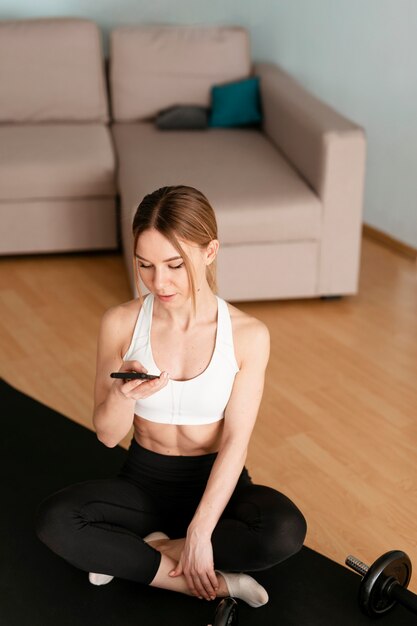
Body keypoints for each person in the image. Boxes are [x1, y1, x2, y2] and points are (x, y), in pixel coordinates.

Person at [36, 185, 307, 608]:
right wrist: (124, 395)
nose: (158, 282)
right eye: (145, 265)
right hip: (145, 481)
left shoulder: (249, 335)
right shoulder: (121, 322)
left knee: (285, 530)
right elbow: (108, 436)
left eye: (174, 265)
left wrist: (201, 531)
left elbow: (236, 442)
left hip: (219, 486)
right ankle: (219, 584)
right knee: (56, 521)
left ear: (210, 251)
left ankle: (147, 553)